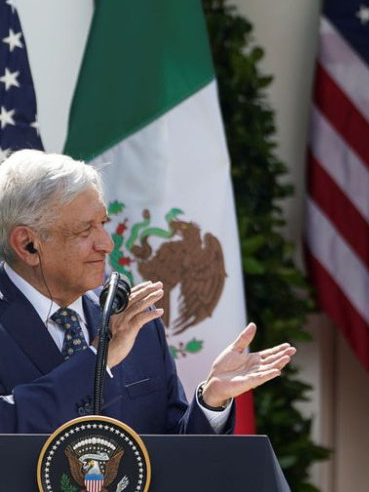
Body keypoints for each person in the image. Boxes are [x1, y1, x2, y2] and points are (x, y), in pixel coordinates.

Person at [0, 149, 294, 434]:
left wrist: (211, 402)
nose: (106, 244)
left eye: (102, 223)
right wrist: (97, 359)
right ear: (27, 244)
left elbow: (169, 454)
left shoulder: (136, 324)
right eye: (84, 230)